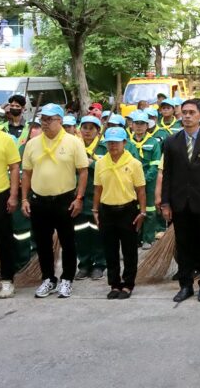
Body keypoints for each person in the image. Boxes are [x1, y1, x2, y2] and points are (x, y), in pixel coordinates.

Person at [21, 103, 89, 298]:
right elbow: (26, 173)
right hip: (39, 201)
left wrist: (79, 198)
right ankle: (48, 279)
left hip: (65, 200)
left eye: (49, 119)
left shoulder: (73, 142)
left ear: (60, 120)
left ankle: (67, 279)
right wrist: (25, 198)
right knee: (43, 243)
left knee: (68, 241)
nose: (45, 123)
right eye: (43, 119)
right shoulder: (33, 143)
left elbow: (83, 171)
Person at [160, 98, 200, 303]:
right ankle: (185, 285)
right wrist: (165, 203)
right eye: (184, 112)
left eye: (191, 112)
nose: (187, 116)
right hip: (179, 203)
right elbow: (167, 174)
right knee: (184, 245)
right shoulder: (171, 142)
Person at [92, 127, 147, 299]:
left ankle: (128, 284)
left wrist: (143, 212)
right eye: (109, 142)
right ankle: (114, 284)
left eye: (116, 142)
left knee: (129, 250)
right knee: (110, 250)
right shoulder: (101, 163)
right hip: (107, 211)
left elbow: (141, 190)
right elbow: (97, 189)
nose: (113, 145)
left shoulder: (134, 164)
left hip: (128, 210)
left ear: (124, 143)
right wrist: (95, 210)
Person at [74, 116, 107, 281]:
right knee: (81, 233)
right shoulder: (75, 146)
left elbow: (109, 168)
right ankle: (84, 264)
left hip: (97, 197)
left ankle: (100, 264)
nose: (87, 131)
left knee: (98, 232)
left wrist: (92, 163)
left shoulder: (104, 148)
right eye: (84, 127)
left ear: (98, 131)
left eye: (91, 128)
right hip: (79, 196)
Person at [126, 111, 162, 249]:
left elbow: (155, 164)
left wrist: (143, 180)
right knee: (134, 210)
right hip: (131, 182)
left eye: (142, 124)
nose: (139, 127)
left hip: (149, 182)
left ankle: (148, 238)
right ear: (132, 125)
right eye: (137, 123)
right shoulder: (128, 143)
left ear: (147, 126)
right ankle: (136, 237)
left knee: (150, 209)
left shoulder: (153, 143)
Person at [0, 112, 21, 298]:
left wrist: (13, 195)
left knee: (3, 240)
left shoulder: (5, 139)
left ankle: (7, 281)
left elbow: (14, 168)